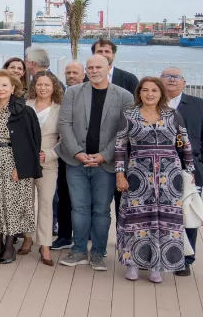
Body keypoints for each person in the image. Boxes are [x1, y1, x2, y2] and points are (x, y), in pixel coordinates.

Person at [57, 54, 134, 269]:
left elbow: (124, 132)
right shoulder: (72, 92)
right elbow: (64, 123)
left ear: (109, 67)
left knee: (101, 210)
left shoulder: (124, 96)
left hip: (106, 165)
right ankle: (79, 250)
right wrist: (77, 152)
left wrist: (104, 155)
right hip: (76, 162)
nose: (93, 71)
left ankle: (98, 253)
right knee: (79, 208)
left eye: (98, 67)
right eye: (89, 67)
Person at [115, 77, 195, 282]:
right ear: (139, 93)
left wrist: (190, 171)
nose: (150, 94)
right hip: (138, 174)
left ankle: (156, 265)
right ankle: (132, 263)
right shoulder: (129, 115)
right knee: (135, 218)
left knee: (164, 221)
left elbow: (185, 144)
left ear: (161, 93)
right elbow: (120, 147)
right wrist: (120, 173)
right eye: (145, 90)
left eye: (154, 90)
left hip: (170, 175)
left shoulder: (173, 114)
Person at [0, 70, 42, 264]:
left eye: (5, 85)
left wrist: (21, 167)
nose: (0, 88)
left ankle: (8, 247)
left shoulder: (23, 111)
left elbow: (33, 142)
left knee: (10, 206)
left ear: (13, 88)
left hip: (11, 162)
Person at [163, 67, 203, 276]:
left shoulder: (198, 105)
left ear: (184, 82)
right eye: (166, 76)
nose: (171, 80)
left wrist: (199, 162)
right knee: (160, 214)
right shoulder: (152, 106)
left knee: (187, 215)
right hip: (158, 170)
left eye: (175, 77)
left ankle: (185, 259)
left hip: (190, 170)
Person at [27, 71, 63, 266]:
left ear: (53, 87)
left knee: (46, 203)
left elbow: (65, 139)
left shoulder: (61, 109)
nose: (42, 88)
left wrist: (50, 154)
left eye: (46, 85)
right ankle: (27, 237)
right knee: (26, 201)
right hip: (25, 162)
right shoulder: (26, 106)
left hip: (48, 163)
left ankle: (45, 245)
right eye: (39, 84)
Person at [51, 61, 86, 251]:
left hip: (86, 153)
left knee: (82, 199)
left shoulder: (88, 93)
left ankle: (84, 234)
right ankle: (64, 235)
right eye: (68, 72)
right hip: (63, 152)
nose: (71, 75)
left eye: (75, 72)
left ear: (83, 75)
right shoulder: (61, 94)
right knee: (64, 195)